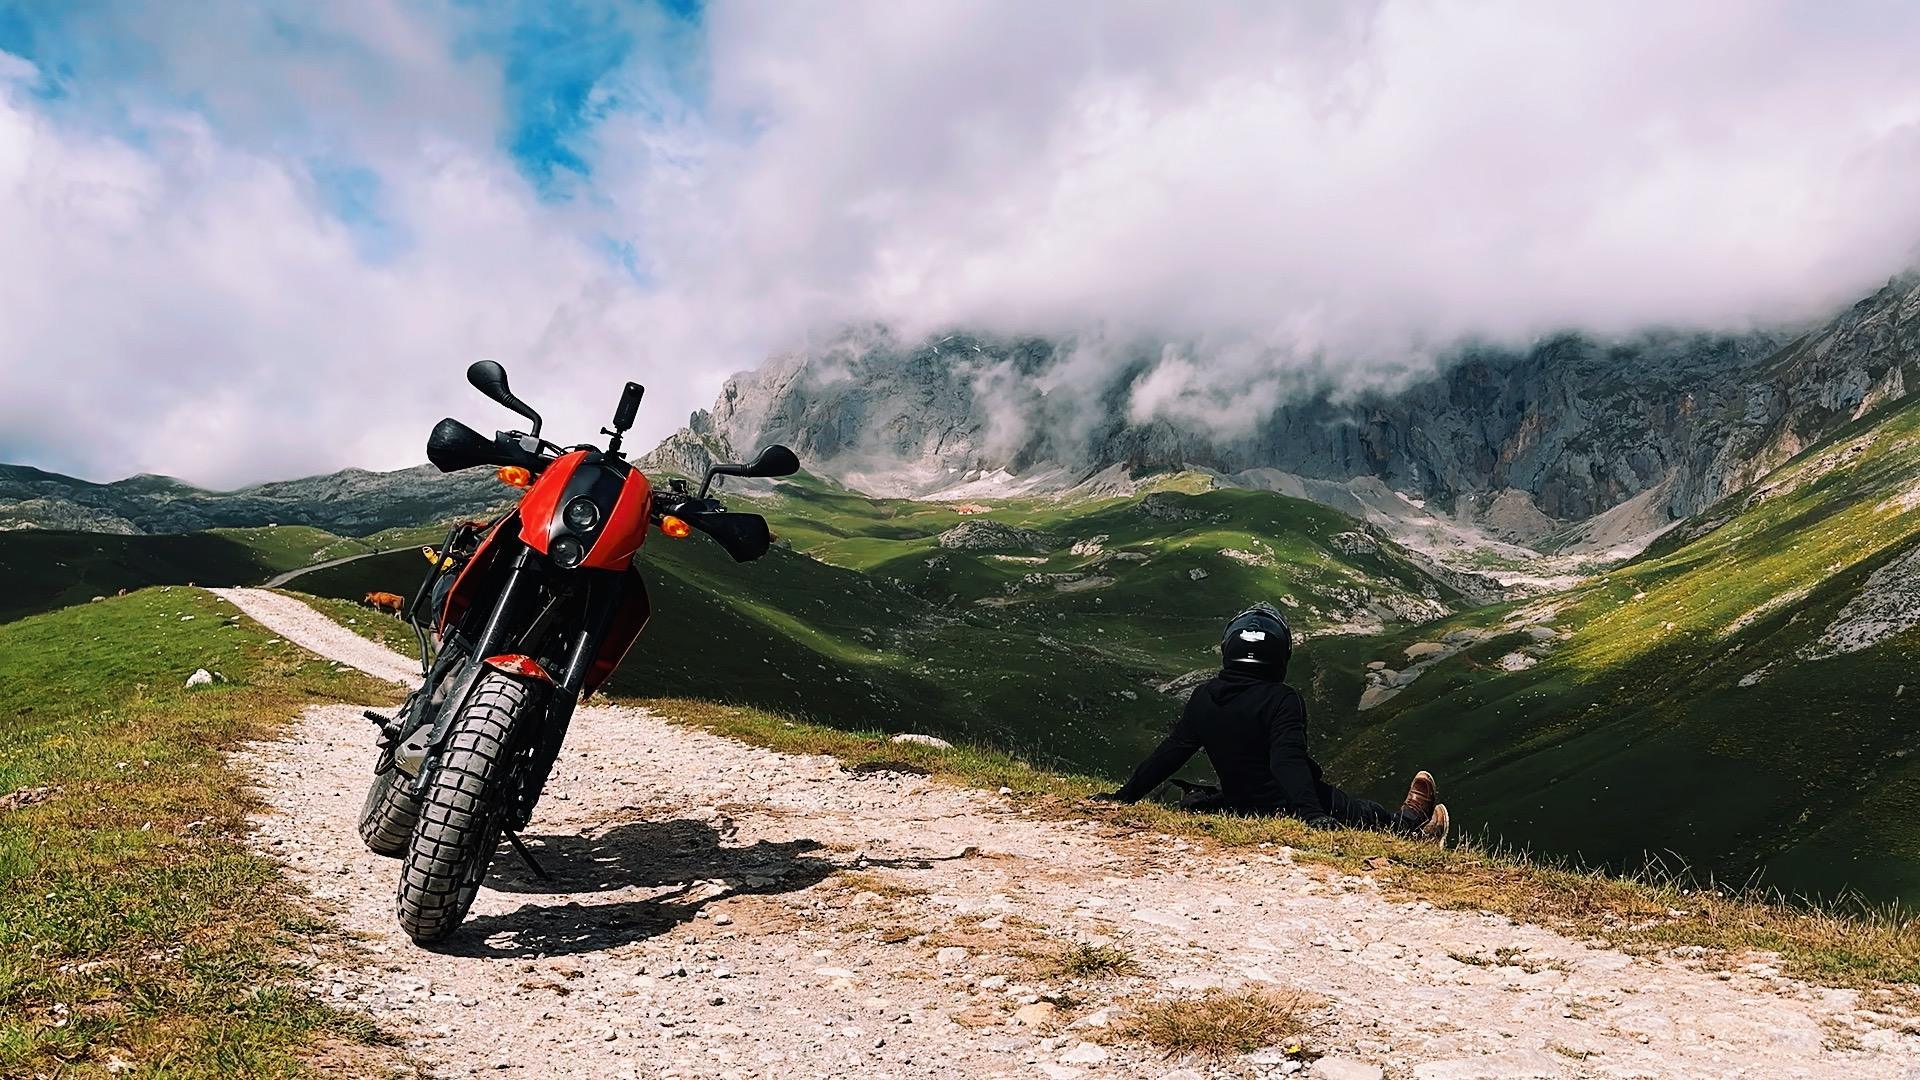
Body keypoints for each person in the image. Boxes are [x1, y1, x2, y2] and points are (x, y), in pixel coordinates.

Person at [1098, 602, 1449, 839]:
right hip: (1291, 802)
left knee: (1354, 808)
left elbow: (1171, 752)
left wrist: (1124, 796)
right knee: (1360, 811)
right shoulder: (1283, 699)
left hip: (1239, 801)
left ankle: (1410, 824)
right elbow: (1286, 759)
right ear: (1281, 655)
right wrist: (1311, 813)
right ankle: (1412, 828)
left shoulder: (1205, 695)